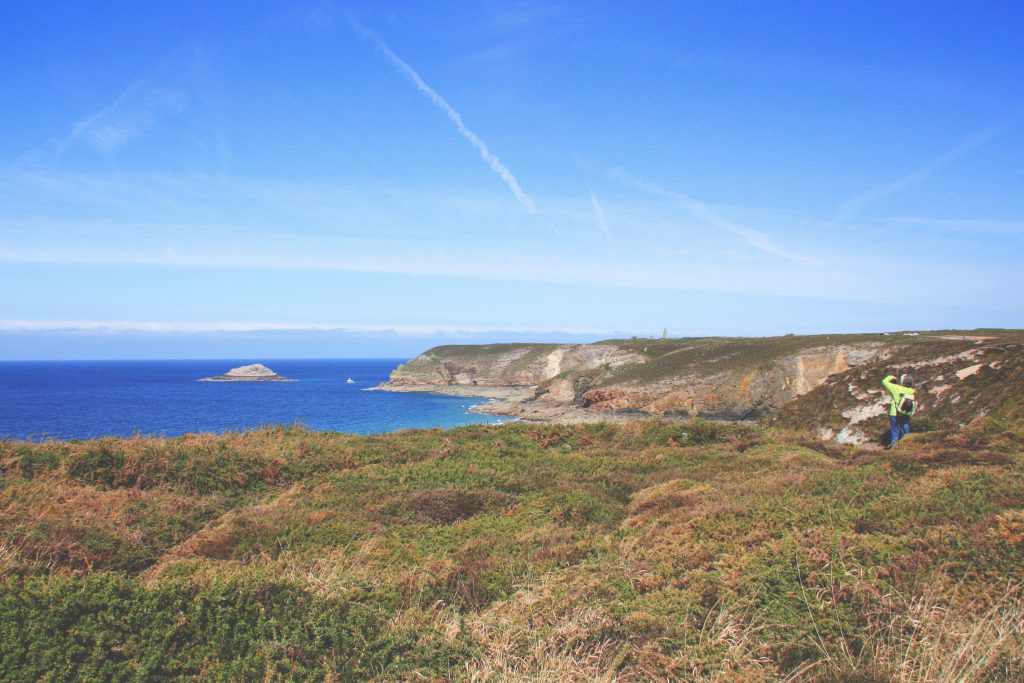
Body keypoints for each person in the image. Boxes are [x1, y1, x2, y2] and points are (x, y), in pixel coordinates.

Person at [882, 373, 916, 449]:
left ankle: (894, 447)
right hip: (906, 412)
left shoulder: (896, 388)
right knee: (905, 427)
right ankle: (908, 444)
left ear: (902, 382)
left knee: (895, 430)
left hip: (895, 412)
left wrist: (892, 377)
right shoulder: (912, 390)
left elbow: (884, 381)